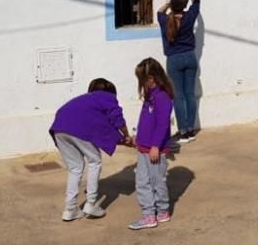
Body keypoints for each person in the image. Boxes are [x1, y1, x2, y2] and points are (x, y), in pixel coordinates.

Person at [49, 78, 131, 222]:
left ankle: (70, 209)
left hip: (58, 128)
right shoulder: (107, 97)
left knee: (75, 168)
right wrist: (127, 136)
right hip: (77, 130)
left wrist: (121, 141)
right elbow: (117, 118)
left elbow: (101, 127)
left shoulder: (85, 100)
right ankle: (91, 204)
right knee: (95, 161)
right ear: (111, 92)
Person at [128, 58, 174, 230]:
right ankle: (150, 213)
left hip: (155, 149)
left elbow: (163, 123)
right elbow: (145, 119)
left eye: (143, 80)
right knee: (142, 181)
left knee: (157, 181)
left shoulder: (162, 97)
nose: (142, 84)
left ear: (153, 78)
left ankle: (161, 211)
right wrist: (137, 137)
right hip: (143, 147)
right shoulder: (150, 96)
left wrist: (155, 145)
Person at [157, 0, 201, 143]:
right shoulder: (189, 17)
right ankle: (191, 129)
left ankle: (182, 132)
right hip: (190, 57)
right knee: (190, 94)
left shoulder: (165, 20)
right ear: (184, 6)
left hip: (174, 60)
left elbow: (159, 11)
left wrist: (168, 4)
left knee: (178, 96)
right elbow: (197, 0)